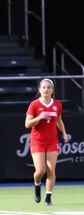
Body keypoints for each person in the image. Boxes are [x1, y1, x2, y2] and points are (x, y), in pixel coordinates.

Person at [25, 78, 69, 206]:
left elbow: (58, 121)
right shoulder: (34, 104)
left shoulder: (57, 105)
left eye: (48, 87)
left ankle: (48, 197)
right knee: (40, 171)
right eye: (43, 87)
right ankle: (37, 185)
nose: (46, 89)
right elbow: (27, 124)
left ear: (52, 90)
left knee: (51, 170)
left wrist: (64, 132)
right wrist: (39, 117)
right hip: (37, 140)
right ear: (39, 90)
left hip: (52, 141)